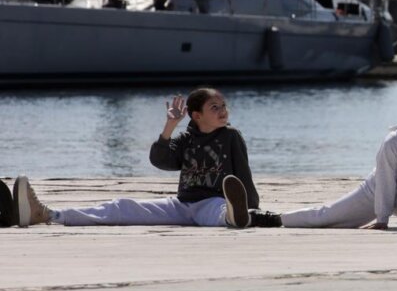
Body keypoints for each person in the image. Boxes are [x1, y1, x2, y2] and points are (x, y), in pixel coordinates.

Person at [11, 87, 255, 228]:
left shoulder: (231, 136)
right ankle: (50, 215)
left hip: (211, 203)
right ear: (196, 115)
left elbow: (243, 174)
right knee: (122, 207)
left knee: (220, 211)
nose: (223, 111)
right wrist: (170, 125)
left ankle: (236, 216)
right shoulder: (186, 139)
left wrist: (252, 207)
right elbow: (160, 160)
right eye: (215, 107)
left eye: (224, 106)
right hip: (182, 205)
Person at [271, 89, 397, 229]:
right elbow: (386, 183)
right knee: (326, 217)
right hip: (374, 196)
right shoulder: (393, 143)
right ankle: (272, 218)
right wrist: (382, 219)